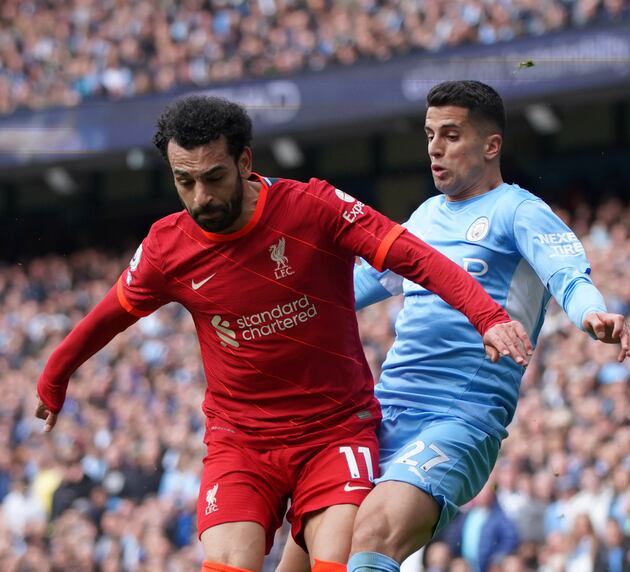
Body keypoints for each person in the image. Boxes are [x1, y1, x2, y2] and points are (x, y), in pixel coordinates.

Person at [34, 95, 533, 572]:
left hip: (335, 431)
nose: (201, 197)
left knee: (340, 561)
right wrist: (54, 378)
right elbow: (108, 316)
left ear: (244, 160)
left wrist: (487, 316)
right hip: (241, 440)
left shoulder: (312, 208)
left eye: (213, 178)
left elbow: (413, 256)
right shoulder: (168, 247)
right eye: (184, 182)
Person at [342, 80, 630, 572]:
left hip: (459, 417)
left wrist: (591, 314)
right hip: (385, 411)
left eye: (451, 135)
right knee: (313, 545)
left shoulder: (519, 211)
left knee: (372, 535)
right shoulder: (424, 217)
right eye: (430, 134)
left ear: (490, 145)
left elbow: (567, 275)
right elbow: (349, 290)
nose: (435, 148)